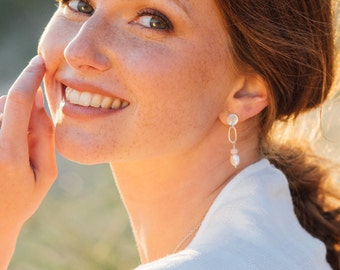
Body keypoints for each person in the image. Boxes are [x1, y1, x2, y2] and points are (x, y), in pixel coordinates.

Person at [0, 0, 339, 269]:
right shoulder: (278, 242)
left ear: (247, 91)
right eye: (80, 5)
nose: (78, 51)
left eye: (153, 20)